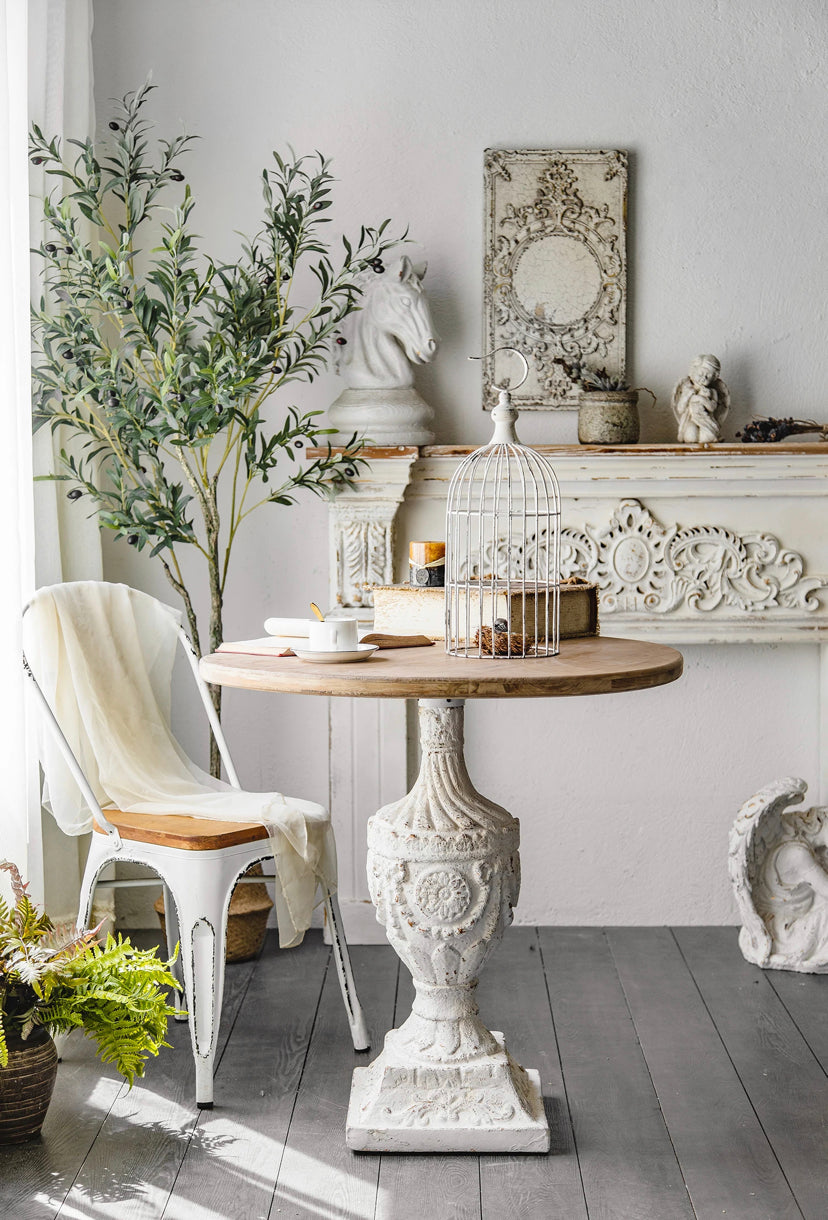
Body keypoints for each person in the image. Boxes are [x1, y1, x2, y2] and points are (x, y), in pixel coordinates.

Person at [671, 354, 730, 443]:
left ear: (714, 378)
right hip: (690, 420)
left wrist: (701, 399)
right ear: (693, 371)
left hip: (705, 420)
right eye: (700, 374)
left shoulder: (712, 392)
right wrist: (687, 397)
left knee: (707, 439)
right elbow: (680, 409)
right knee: (691, 437)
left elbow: (712, 408)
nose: (703, 378)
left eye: (708, 376)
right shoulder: (687, 389)